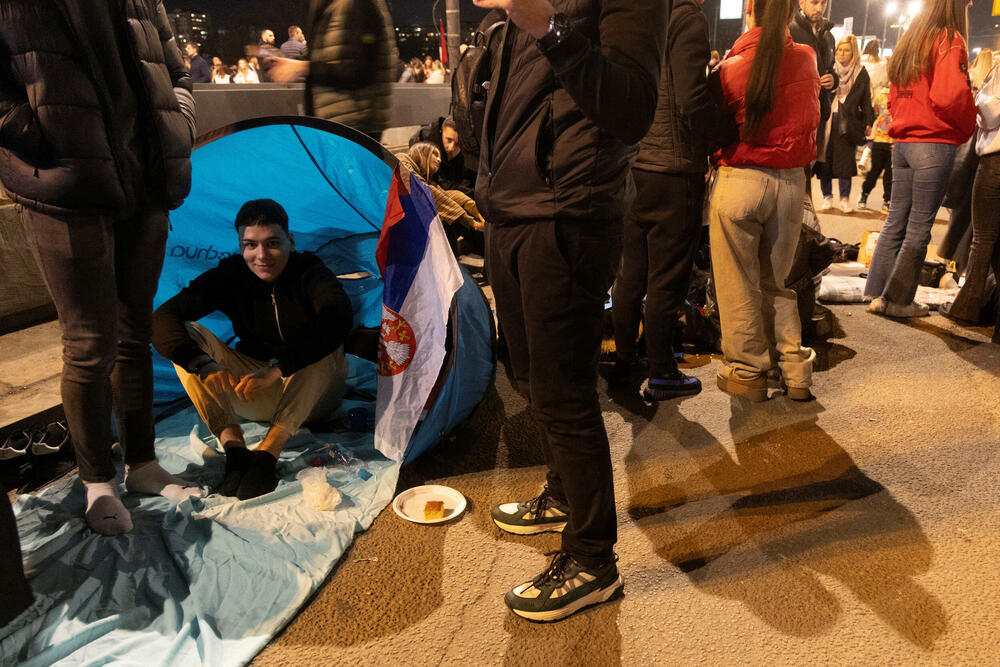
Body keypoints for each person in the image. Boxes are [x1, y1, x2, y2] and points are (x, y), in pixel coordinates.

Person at [472, 0, 666, 621]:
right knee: (528, 377)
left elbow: (633, 109)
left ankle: (592, 559)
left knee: (565, 394)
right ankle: (561, 494)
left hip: (568, 213)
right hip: (512, 210)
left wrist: (547, 27)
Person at [0, 0, 201, 536]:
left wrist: (176, 124)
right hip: (64, 187)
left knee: (134, 335)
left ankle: (142, 465)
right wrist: (41, 138)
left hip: (147, 179)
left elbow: (177, 68)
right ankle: (98, 483)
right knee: (90, 343)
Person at [152, 200, 353, 500]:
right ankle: (235, 450)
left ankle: (267, 455)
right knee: (187, 335)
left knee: (327, 343)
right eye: (250, 245)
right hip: (252, 392)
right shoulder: (231, 275)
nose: (262, 256)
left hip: (315, 397)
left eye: (273, 243)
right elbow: (162, 318)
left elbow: (338, 317)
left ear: (291, 241)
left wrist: (277, 369)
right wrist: (204, 364)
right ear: (240, 245)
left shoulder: (309, 271)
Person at [708, 0, 820, 403]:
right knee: (778, 282)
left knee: (738, 285)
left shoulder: (731, 69)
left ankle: (749, 371)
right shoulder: (807, 59)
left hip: (741, 181)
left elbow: (713, 127)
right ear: (791, 13)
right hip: (790, 185)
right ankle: (795, 371)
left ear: (750, 8)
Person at [611, 0, 717, 401]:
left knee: (630, 274)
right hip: (674, 170)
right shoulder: (687, 19)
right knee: (666, 281)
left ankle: (626, 359)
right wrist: (716, 134)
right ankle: (662, 371)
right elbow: (691, 100)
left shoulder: (641, 16)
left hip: (635, 166)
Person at [864, 0, 976, 318]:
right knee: (918, 228)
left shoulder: (911, 38)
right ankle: (899, 301)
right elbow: (950, 96)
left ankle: (878, 294)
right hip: (933, 142)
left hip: (903, 141)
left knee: (895, 221)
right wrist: (970, 120)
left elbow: (896, 94)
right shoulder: (948, 38)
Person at [267, 0, 398, 138]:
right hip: (333, 124)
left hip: (354, 128)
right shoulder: (327, 6)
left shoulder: (358, 4)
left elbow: (361, 71)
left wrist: (302, 67)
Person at [939, 60, 1000, 342]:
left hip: (995, 161)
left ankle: (966, 308)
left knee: (983, 239)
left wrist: (977, 100)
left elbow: (992, 114)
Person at [815, 35, 874, 213]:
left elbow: (866, 99)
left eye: (846, 50)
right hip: (826, 120)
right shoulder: (829, 69)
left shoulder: (860, 72)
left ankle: (844, 199)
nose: (841, 53)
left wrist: (868, 122)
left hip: (848, 122)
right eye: (839, 49)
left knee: (846, 162)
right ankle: (827, 197)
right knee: (824, 160)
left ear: (853, 52)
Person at [397, 143, 486, 256]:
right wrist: (472, 223)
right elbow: (428, 193)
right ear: (422, 152)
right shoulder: (402, 159)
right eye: (435, 154)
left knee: (449, 214)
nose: (439, 160)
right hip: (397, 222)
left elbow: (448, 196)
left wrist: (477, 211)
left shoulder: (426, 180)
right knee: (446, 219)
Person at [789, 0, 838, 172]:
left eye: (823, 3)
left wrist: (833, 79)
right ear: (801, 2)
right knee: (795, 172)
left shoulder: (828, 36)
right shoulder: (790, 30)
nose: (819, 8)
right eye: (814, 2)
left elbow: (830, 68)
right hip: (796, 116)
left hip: (819, 113)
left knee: (807, 170)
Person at [408, 117, 475, 195]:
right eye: (449, 140)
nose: (451, 148)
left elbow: (468, 175)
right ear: (441, 131)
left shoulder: (466, 146)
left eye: (457, 144)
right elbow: (437, 183)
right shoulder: (423, 144)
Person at [859, 76, 893, 213]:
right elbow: (876, 112)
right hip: (880, 140)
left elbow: (876, 112)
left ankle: (887, 200)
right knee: (875, 172)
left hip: (893, 141)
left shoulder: (883, 95)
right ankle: (864, 194)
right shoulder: (883, 95)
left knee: (889, 175)